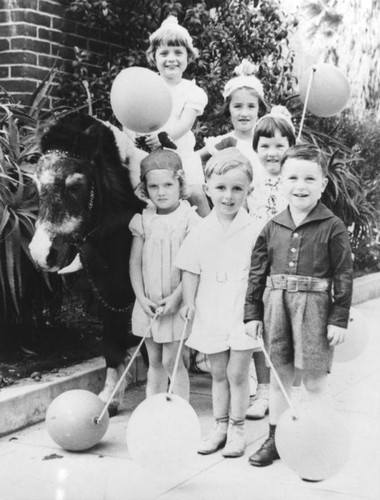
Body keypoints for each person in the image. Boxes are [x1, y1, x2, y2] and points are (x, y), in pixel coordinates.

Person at [244, 143, 353, 467]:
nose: (300, 186)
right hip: (276, 307)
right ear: (281, 182)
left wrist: (339, 318)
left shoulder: (332, 226)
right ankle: (275, 439)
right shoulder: (272, 226)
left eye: (309, 179)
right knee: (280, 378)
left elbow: (343, 273)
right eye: (293, 178)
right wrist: (252, 313)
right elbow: (257, 272)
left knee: (314, 380)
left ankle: (315, 438)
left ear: (322, 184)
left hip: (315, 310)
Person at [176, 148, 261, 458]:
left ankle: (238, 428)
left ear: (248, 190)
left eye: (237, 188)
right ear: (207, 189)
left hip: (242, 311)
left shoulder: (254, 230)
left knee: (239, 373)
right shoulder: (201, 230)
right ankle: (220, 426)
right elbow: (190, 268)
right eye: (221, 188)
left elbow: (261, 273)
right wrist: (188, 302)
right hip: (211, 309)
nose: (228, 196)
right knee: (218, 372)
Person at [129, 148, 201, 401]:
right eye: (154, 186)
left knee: (173, 360)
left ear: (180, 183)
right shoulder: (143, 219)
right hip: (150, 304)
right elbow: (135, 264)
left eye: (168, 184)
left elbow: (194, 266)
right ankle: (154, 409)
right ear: (145, 189)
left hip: (176, 303)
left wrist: (177, 298)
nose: (161, 192)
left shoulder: (188, 219)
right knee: (155, 361)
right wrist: (140, 298)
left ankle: (181, 410)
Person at [245, 105, 298, 420]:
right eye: (265, 145)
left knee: (287, 330)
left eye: (280, 145)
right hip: (259, 267)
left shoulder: (296, 182)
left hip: (289, 268)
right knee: (260, 328)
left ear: (291, 147)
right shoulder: (253, 182)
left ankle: (287, 389)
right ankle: (263, 390)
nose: (272, 152)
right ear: (256, 148)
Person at [137, 15, 209, 217]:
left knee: (194, 194)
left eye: (178, 52)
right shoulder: (147, 87)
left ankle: (211, 233)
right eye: (164, 53)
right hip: (153, 156)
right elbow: (135, 116)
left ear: (188, 57)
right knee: (152, 200)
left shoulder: (190, 91)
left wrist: (163, 136)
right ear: (154, 57)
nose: (171, 58)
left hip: (182, 154)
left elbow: (185, 123)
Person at [198, 58, 267, 184]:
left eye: (251, 106)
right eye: (237, 106)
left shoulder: (267, 141)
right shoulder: (224, 142)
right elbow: (193, 160)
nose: (244, 113)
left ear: (259, 109)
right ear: (228, 108)